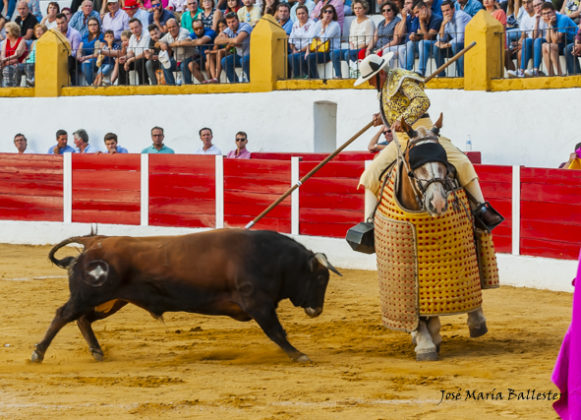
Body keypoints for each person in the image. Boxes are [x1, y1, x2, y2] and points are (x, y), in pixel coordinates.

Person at [354, 53, 503, 230]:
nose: (369, 83)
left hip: (422, 131)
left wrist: (404, 119)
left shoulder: (402, 79)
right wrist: (383, 119)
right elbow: (396, 111)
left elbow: (422, 101)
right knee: (370, 175)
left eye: (370, 79)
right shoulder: (383, 88)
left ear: (380, 74)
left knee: (462, 162)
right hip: (400, 139)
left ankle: (481, 209)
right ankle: (369, 226)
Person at [330, 0, 374, 78]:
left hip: (363, 49)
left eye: (360, 8)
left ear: (365, 9)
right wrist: (352, 48)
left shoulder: (369, 22)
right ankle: (338, 76)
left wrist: (355, 49)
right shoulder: (354, 21)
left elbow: (368, 41)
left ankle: (354, 75)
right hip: (353, 48)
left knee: (348, 54)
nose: (357, 10)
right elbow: (351, 39)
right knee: (334, 53)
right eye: (355, 8)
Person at [433, 0, 471, 77]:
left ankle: (461, 76)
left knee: (455, 45)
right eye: (443, 11)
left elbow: (460, 38)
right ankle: (441, 77)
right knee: (436, 47)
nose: (446, 13)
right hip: (457, 45)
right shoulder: (447, 20)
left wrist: (446, 44)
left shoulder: (459, 15)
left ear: (453, 9)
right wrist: (443, 25)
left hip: (470, 44)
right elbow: (440, 39)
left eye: (447, 10)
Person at [304, 4, 341, 79]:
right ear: (322, 13)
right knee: (302, 57)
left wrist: (323, 27)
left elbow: (324, 39)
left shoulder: (335, 25)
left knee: (310, 58)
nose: (327, 14)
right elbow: (310, 37)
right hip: (318, 50)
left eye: (330, 12)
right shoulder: (318, 23)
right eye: (325, 11)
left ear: (333, 14)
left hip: (330, 51)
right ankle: (309, 76)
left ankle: (315, 78)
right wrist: (307, 51)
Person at [540, 2, 577, 75]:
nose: (547, 16)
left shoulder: (563, 18)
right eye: (544, 14)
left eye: (548, 12)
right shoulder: (550, 21)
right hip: (564, 43)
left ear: (554, 11)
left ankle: (560, 74)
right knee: (544, 46)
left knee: (549, 46)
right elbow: (548, 40)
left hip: (574, 41)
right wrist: (549, 24)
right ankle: (551, 74)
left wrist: (549, 24)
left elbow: (554, 40)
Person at [407, 0, 442, 75]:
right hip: (426, 45)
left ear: (423, 8)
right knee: (410, 44)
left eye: (417, 12)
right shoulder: (422, 19)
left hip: (437, 45)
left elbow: (427, 38)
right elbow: (420, 35)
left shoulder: (437, 18)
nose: (416, 15)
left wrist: (421, 22)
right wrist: (415, 37)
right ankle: (406, 71)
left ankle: (421, 70)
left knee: (423, 43)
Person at [215, 11, 252, 82]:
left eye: (233, 21)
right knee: (224, 61)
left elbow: (237, 40)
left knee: (243, 60)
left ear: (238, 20)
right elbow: (216, 41)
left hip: (251, 55)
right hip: (240, 55)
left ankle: (250, 81)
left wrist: (226, 40)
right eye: (228, 23)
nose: (231, 24)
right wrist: (231, 41)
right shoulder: (229, 29)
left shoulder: (245, 26)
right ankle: (234, 83)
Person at [159, 18, 195, 84]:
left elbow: (179, 43)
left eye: (173, 26)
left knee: (183, 66)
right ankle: (171, 87)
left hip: (190, 57)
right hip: (177, 58)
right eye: (169, 27)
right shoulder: (169, 34)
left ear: (178, 26)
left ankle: (188, 85)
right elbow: (158, 42)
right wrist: (162, 43)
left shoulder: (184, 31)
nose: (172, 29)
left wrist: (168, 45)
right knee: (165, 65)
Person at [507, 0, 537, 78]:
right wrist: (520, 43)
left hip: (538, 41)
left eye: (529, 2)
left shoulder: (538, 14)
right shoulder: (525, 15)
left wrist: (522, 44)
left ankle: (530, 71)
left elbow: (536, 35)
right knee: (519, 52)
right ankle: (521, 74)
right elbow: (523, 34)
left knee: (524, 43)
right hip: (529, 42)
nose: (526, 5)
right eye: (524, 3)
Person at [118, 17, 150, 85]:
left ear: (141, 25)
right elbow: (131, 52)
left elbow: (145, 53)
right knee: (121, 62)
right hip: (135, 58)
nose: (134, 30)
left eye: (136, 27)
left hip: (146, 58)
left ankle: (144, 84)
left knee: (139, 62)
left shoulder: (146, 35)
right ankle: (123, 86)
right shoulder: (132, 36)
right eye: (132, 28)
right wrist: (126, 57)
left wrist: (130, 60)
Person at [288, 5, 315, 78]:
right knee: (291, 56)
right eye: (299, 14)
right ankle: (298, 76)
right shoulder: (295, 24)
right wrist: (293, 50)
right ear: (296, 15)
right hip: (297, 50)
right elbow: (291, 40)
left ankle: (308, 76)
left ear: (307, 13)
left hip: (308, 49)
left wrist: (300, 50)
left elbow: (311, 41)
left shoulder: (312, 24)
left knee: (300, 57)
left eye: (303, 13)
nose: (301, 15)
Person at [184, 18, 215, 83]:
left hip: (213, 56)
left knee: (207, 63)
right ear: (193, 29)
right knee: (191, 65)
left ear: (203, 26)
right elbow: (185, 42)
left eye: (200, 28)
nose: (199, 30)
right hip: (202, 58)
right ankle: (204, 83)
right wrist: (194, 41)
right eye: (196, 29)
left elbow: (201, 41)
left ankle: (213, 82)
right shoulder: (193, 34)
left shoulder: (210, 32)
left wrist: (192, 41)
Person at [56, 12, 82, 85]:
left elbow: (76, 52)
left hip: (73, 59)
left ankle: (74, 85)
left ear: (67, 21)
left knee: (70, 60)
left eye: (62, 23)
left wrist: (63, 55)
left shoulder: (75, 34)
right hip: (62, 58)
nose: (60, 26)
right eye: (58, 23)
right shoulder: (56, 33)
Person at [77, 17, 104, 85]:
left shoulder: (101, 36)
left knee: (86, 64)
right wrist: (79, 56)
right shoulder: (85, 36)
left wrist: (85, 58)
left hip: (97, 60)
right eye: (90, 25)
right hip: (84, 59)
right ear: (88, 27)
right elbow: (79, 50)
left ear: (98, 25)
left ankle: (91, 84)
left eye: (95, 24)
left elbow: (98, 53)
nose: (93, 27)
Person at [0, 22, 26, 87]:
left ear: (13, 32)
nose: (5, 34)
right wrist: (3, 60)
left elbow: (17, 55)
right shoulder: (7, 40)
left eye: (7, 32)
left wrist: (5, 60)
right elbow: (2, 54)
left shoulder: (21, 40)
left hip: (18, 63)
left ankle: (9, 88)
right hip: (6, 62)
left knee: (8, 68)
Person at [204, 17, 227, 82]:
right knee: (208, 56)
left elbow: (226, 49)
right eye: (219, 27)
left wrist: (211, 51)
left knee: (219, 52)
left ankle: (217, 77)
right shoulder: (218, 36)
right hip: (220, 55)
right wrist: (219, 37)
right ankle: (214, 78)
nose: (221, 29)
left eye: (223, 26)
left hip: (230, 53)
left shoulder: (229, 33)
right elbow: (215, 48)